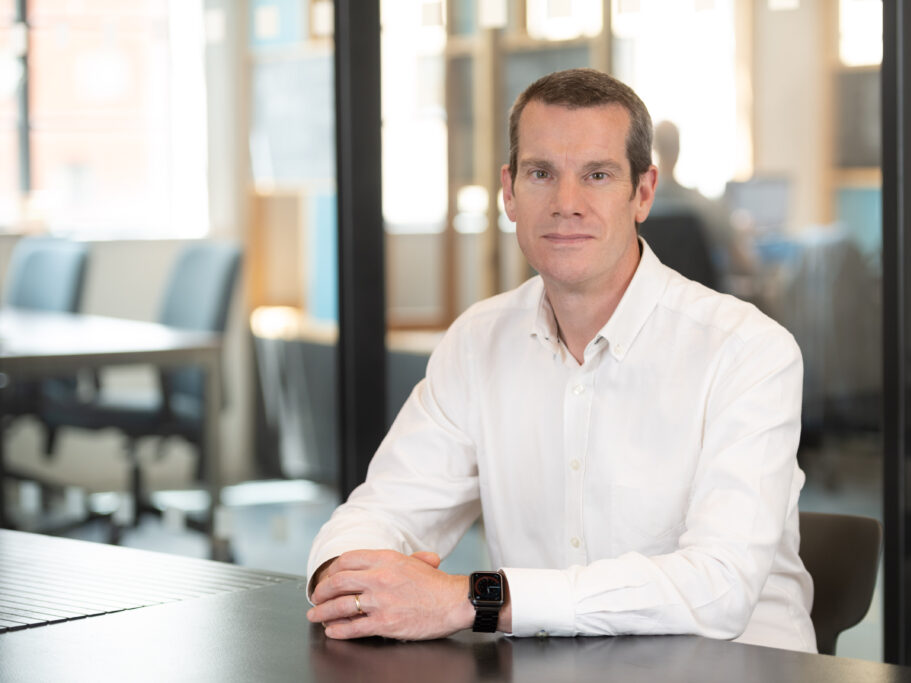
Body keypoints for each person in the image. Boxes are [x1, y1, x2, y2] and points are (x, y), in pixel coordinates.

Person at [306, 68, 815, 652]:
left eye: (597, 175)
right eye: (541, 173)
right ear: (509, 191)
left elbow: (717, 590)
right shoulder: (478, 341)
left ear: (643, 193)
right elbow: (382, 509)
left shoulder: (748, 351)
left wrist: (471, 599)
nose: (566, 204)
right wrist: (348, 577)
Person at [649, 119, 758, 280]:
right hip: (702, 299)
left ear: (653, 149)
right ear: (678, 149)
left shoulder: (639, 207)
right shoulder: (705, 207)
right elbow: (741, 262)